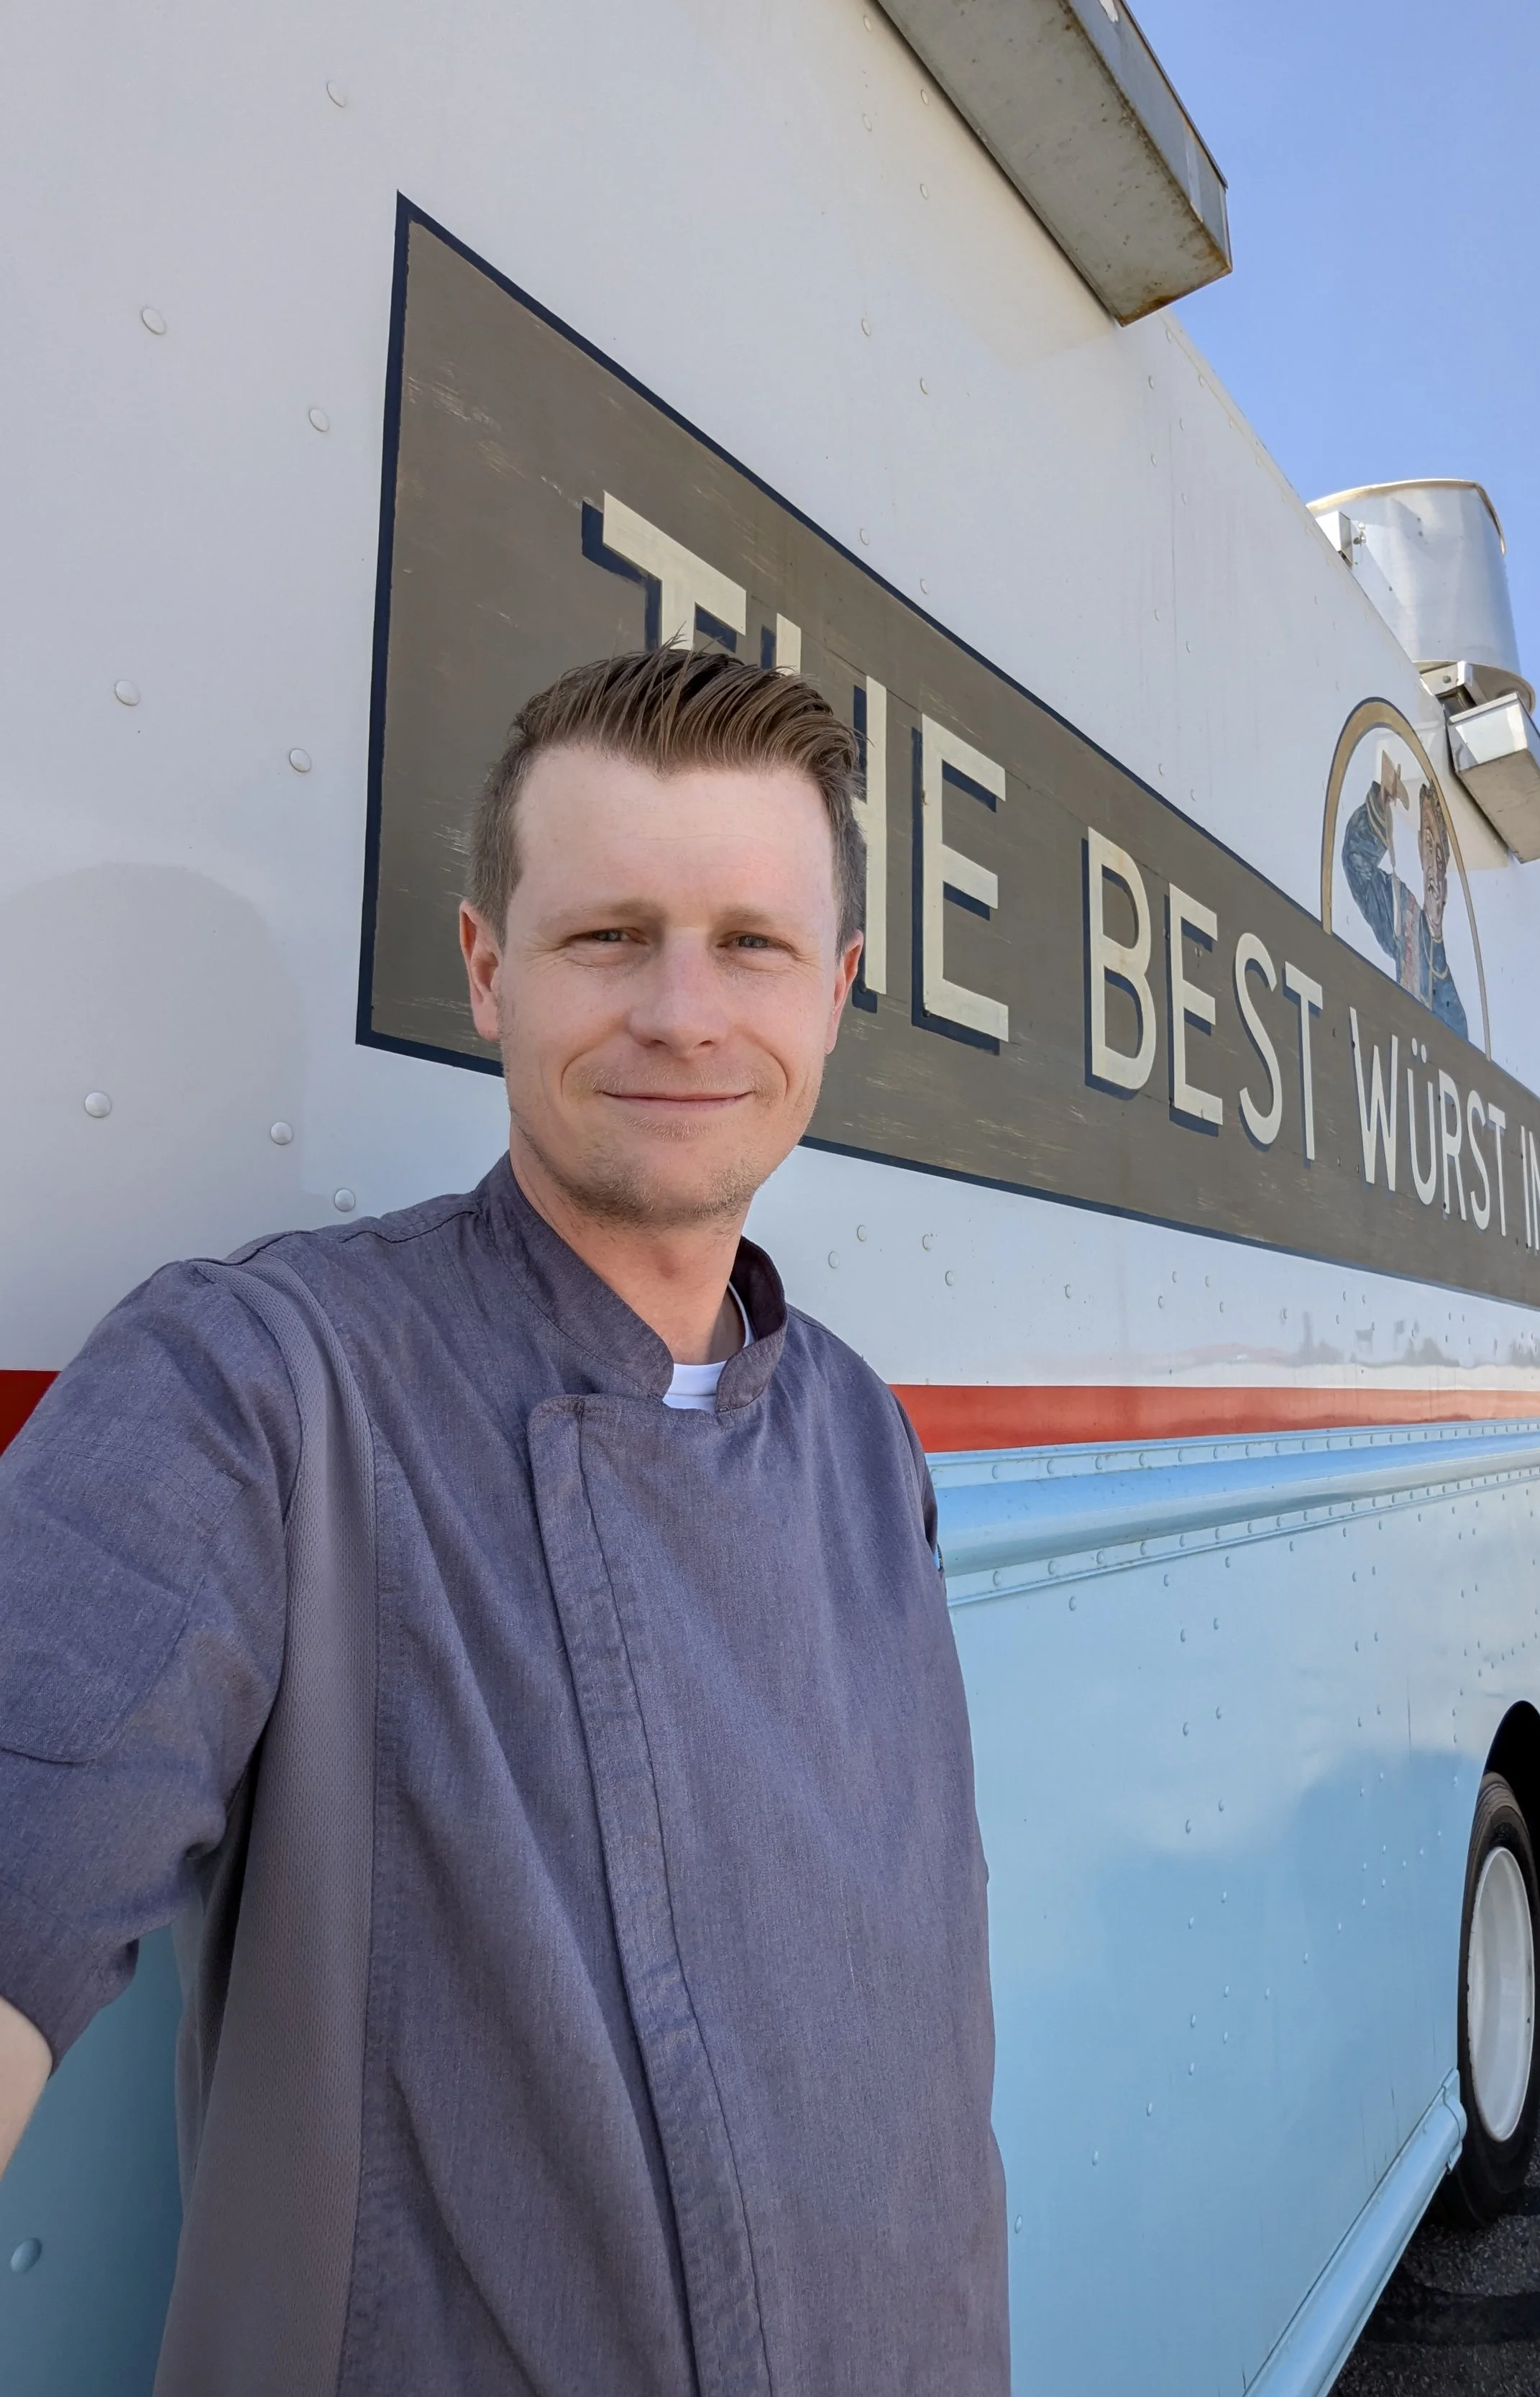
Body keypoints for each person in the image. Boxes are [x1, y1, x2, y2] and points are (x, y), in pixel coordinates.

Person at [0, 647, 1009, 2396]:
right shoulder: (259, 1381)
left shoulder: (862, 1430)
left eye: (753, 944)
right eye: (609, 934)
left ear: (835, 993)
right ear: (489, 972)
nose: (686, 1012)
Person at [1342, 747, 1468, 1038]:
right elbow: (1356, 862)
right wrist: (1380, 801)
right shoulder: (1406, 918)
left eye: (1437, 851)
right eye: (1426, 844)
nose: (1433, 866)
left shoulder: (1455, 1011)